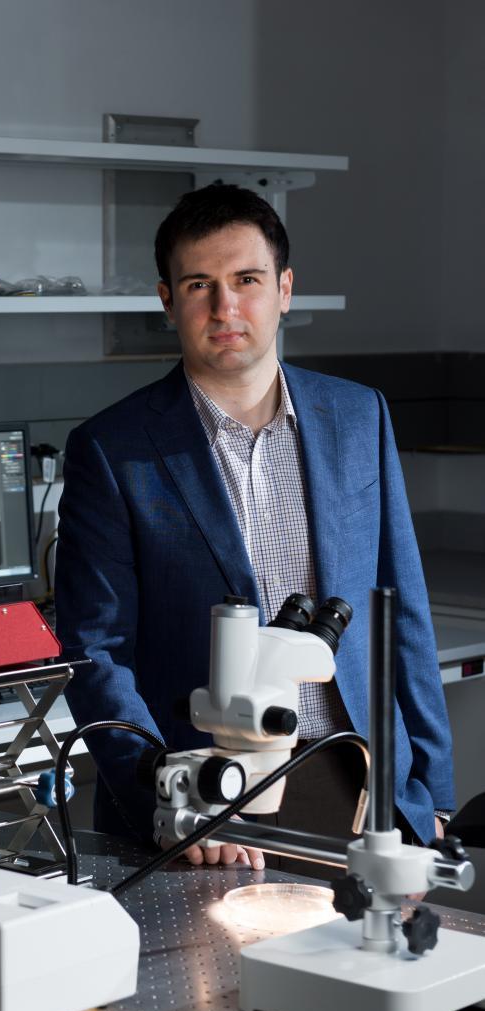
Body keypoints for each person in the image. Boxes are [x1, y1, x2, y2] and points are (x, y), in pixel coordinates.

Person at [54, 184, 454, 869]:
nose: (225, 307)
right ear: (166, 300)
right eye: (199, 284)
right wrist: (167, 797)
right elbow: (96, 651)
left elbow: (401, 612)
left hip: (358, 784)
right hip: (209, 807)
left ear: (284, 288)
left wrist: (431, 794)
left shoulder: (359, 416)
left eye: (246, 280)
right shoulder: (112, 449)